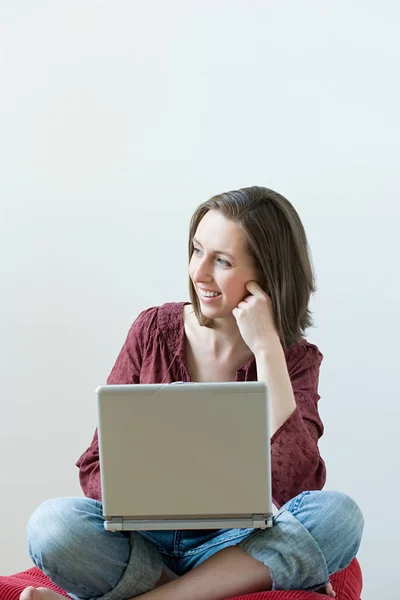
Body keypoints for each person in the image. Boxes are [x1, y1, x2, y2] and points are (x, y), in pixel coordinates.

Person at [21, 186, 364, 600]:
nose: (198, 273)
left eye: (222, 261)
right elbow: (93, 468)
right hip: (144, 543)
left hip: (232, 546)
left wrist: (268, 348)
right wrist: (148, 487)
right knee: (52, 525)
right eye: (197, 250)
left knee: (340, 517)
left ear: (267, 275)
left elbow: (300, 485)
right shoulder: (153, 331)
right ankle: (191, 591)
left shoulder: (294, 360)